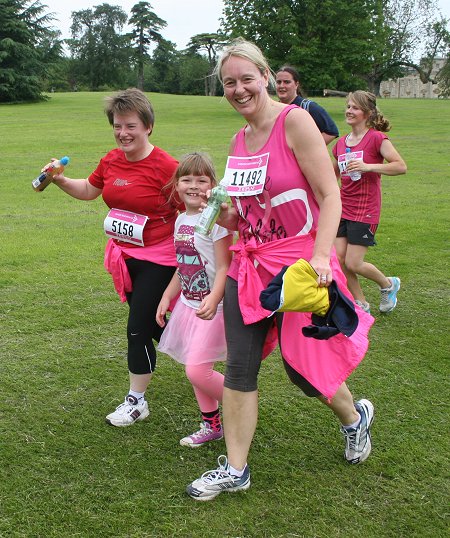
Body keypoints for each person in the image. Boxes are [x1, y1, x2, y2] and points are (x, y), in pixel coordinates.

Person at [186, 39, 375, 502]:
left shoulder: (296, 122)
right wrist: (229, 218)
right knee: (239, 367)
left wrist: (321, 257)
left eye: (246, 78)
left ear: (266, 76)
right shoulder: (237, 139)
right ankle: (235, 468)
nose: (238, 89)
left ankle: (355, 418)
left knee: (304, 372)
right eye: (229, 82)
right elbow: (251, 209)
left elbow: (330, 196)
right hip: (251, 266)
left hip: (299, 266)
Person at [50, 88, 182, 426]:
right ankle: (199, 356)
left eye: (131, 126)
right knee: (157, 327)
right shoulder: (111, 160)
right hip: (126, 256)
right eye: (117, 126)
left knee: (137, 327)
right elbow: (90, 191)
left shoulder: (166, 166)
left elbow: (190, 209)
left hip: (161, 259)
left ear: (148, 126)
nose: (123, 133)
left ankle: (136, 401)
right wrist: (60, 180)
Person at [156, 152, 233, 447]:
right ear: (176, 185)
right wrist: (167, 296)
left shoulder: (216, 220)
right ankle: (211, 425)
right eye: (186, 179)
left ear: (212, 185)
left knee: (197, 369)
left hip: (214, 306)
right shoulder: (180, 220)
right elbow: (183, 263)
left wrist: (214, 298)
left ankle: (240, 402)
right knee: (196, 368)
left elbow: (225, 265)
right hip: (189, 305)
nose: (193, 185)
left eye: (202, 180)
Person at [332, 90, 407, 314]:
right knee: (339, 259)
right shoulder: (340, 144)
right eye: (348, 106)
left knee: (354, 262)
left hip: (365, 210)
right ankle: (360, 303)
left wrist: (369, 166)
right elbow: (332, 174)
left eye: (354, 107)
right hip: (342, 208)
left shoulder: (376, 138)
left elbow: (400, 166)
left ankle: (388, 284)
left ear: (367, 113)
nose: (349, 111)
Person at [275, 65, 339, 145]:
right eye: (278, 82)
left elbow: (331, 132)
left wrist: (307, 150)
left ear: (296, 84)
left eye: (287, 82)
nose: (281, 86)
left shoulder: (309, 107)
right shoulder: (273, 109)